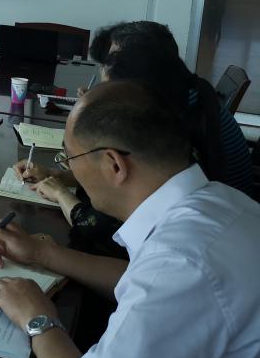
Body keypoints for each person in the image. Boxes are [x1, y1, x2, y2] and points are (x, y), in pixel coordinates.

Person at [0, 81, 260, 358]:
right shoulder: (223, 201)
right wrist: (43, 253)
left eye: (69, 158)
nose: (69, 168)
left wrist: (37, 317)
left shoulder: (181, 261)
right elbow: (139, 277)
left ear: (114, 164)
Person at [20, 42, 253, 243]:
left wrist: (61, 192)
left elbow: (100, 226)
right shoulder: (182, 114)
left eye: (108, 93)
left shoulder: (173, 251)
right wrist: (62, 176)